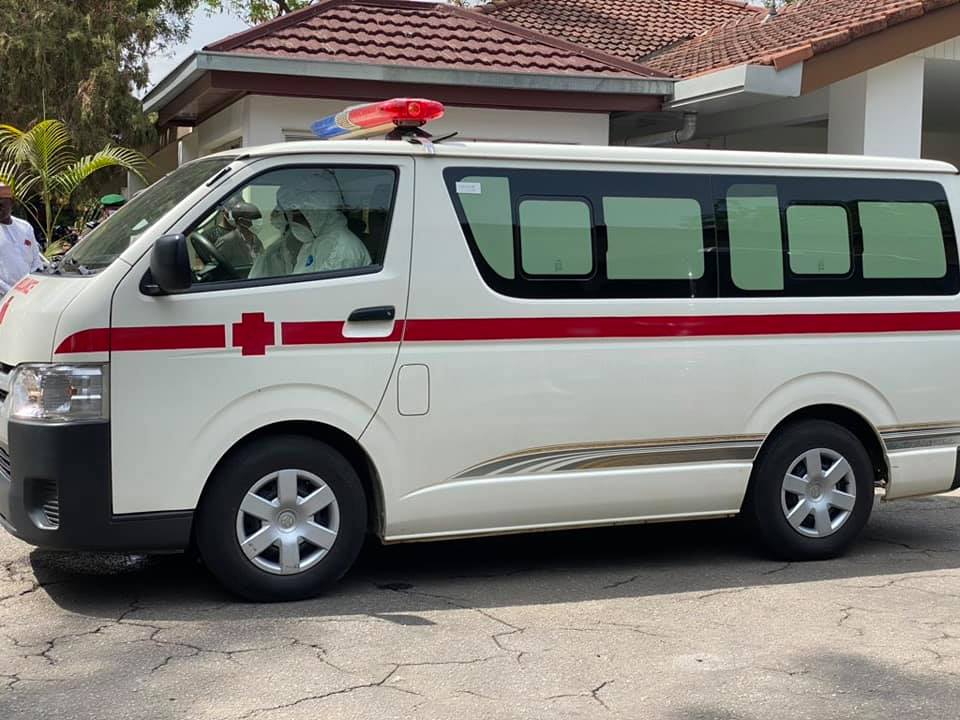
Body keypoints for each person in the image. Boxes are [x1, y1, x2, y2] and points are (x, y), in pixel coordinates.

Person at [250, 171, 371, 279]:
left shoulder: (340, 248)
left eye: (296, 215)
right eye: (290, 216)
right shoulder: (317, 241)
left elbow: (320, 297)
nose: (293, 222)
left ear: (313, 212)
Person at [0, 183, 44, 294]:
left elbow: (36, 261)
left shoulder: (25, 227)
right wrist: (12, 293)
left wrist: (34, 288)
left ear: (12, 203)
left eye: (1, 205)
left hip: (30, 294)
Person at [214, 200, 264, 268]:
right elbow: (217, 268)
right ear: (241, 221)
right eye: (255, 219)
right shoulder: (226, 242)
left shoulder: (257, 241)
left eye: (259, 219)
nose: (259, 222)